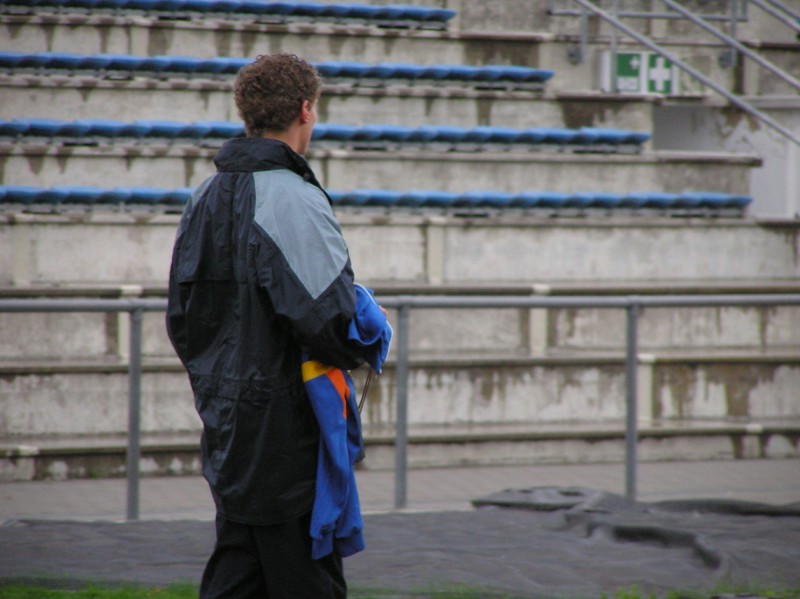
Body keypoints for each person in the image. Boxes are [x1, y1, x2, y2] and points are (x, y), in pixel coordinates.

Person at [165, 53, 385, 599]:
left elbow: (182, 321)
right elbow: (334, 324)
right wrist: (368, 324)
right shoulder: (294, 198)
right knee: (305, 577)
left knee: (238, 574)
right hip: (287, 433)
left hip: (225, 423)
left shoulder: (202, 197)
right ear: (306, 110)